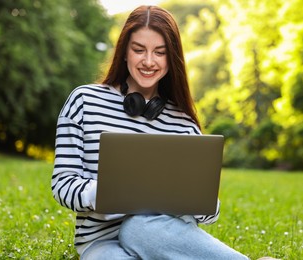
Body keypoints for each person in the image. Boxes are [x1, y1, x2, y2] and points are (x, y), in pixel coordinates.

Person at [52, 5, 249, 259]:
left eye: (160, 52)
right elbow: (63, 184)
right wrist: (109, 191)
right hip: (102, 242)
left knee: (140, 229)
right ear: (124, 52)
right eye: (138, 50)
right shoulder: (84, 101)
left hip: (161, 236)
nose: (148, 61)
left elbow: (210, 213)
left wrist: (200, 200)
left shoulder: (183, 122)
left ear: (171, 58)